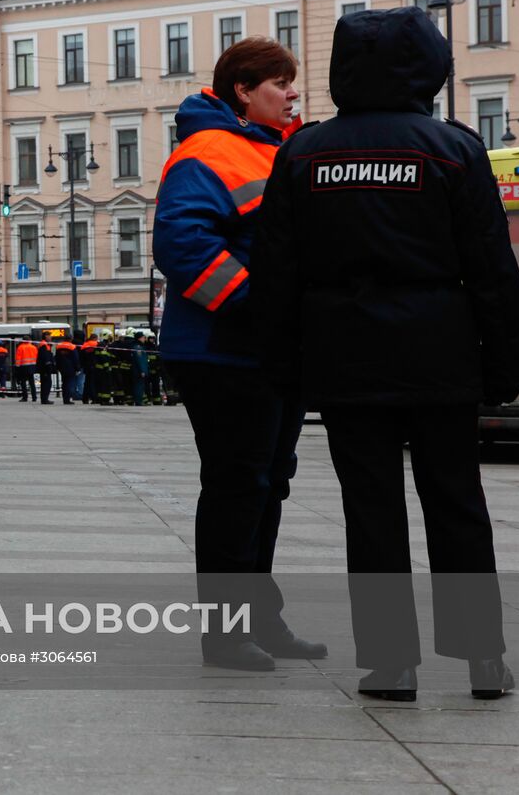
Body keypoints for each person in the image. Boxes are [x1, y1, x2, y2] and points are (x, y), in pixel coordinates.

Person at [255, 7, 519, 701]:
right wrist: (504, 365)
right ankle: (483, 660)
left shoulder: (303, 152)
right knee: (457, 503)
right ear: (429, 65)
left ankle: (389, 663)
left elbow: (276, 272)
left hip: (346, 352)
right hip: (441, 349)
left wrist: (282, 366)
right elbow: (493, 270)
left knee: (371, 509)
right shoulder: (453, 149)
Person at [153, 37, 324, 672]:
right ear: (243, 92)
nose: (292, 93)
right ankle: (224, 636)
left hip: (268, 350)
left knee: (267, 486)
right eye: (280, 83)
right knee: (236, 487)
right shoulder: (206, 152)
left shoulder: (276, 149)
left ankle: (260, 620)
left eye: (292, 82)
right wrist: (259, 308)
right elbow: (183, 246)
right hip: (224, 351)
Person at [56, 336, 80, 404]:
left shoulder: (58, 346)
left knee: (64, 383)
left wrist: (57, 367)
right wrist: (77, 368)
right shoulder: (72, 346)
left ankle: (65, 398)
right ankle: (68, 399)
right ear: (71, 339)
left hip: (62, 367)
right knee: (70, 383)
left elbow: (57, 357)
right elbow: (75, 358)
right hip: (70, 367)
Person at [131, 332, 150, 406]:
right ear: (139, 338)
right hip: (139, 371)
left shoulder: (138, 347)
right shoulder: (138, 348)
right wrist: (142, 371)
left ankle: (139, 400)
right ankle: (138, 401)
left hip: (137, 370)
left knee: (139, 385)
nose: (144, 339)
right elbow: (140, 360)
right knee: (139, 386)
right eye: (143, 337)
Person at [37, 336, 56, 404]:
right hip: (45, 369)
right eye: (49, 337)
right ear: (46, 338)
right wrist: (48, 368)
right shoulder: (44, 346)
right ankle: (45, 399)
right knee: (47, 384)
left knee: (45, 384)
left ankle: (44, 399)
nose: (51, 339)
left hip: (44, 368)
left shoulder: (45, 345)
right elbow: (46, 359)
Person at [79, 335, 98, 404]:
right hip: (93, 366)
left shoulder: (84, 345)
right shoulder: (96, 344)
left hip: (86, 367)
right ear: (95, 338)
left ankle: (85, 399)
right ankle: (94, 398)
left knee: (87, 383)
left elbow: (81, 357)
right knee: (93, 383)